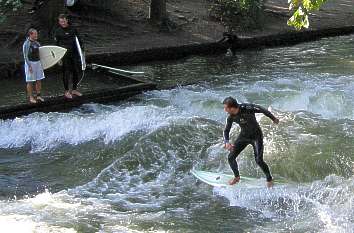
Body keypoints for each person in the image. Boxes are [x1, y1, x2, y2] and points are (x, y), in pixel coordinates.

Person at [222, 97, 279, 188]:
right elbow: (226, 131)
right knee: (231, 157)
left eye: (226, 108)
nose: (225, 110)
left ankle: (269, 179)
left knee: (259, 160)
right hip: (244, 136)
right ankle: (237, 177)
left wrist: (273, 118)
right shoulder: (231, 117)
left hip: (256, 136)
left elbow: (262, 110)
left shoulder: (247, 108)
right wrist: (227, 142)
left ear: (232, 108)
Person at [53, 14, 83, 99]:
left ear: (67, 20)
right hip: (64, 55)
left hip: (74, 54)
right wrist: (58, 58)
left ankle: (74, 89)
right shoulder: (57, 31)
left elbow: (79, 41)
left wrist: (82, 53)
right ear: (59, 22)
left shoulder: (73, 29)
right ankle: (66, 91)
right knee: (66, 73)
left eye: (64, 21)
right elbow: (56, 46)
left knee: (76, 72)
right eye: (61, 21)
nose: (62, 23)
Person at [23, 28, 45, 104]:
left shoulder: (37, 43)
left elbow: (41, 54)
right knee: (30, 81)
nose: (36, 35)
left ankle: (38, 95)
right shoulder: (26, 43)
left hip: (38, 62)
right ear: (30, 34)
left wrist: (43, 64)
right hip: (30, 63)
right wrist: (29, 66)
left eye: (36, 33)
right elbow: (25, 56)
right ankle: (31, 97)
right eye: (35, 34)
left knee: (39, 79)